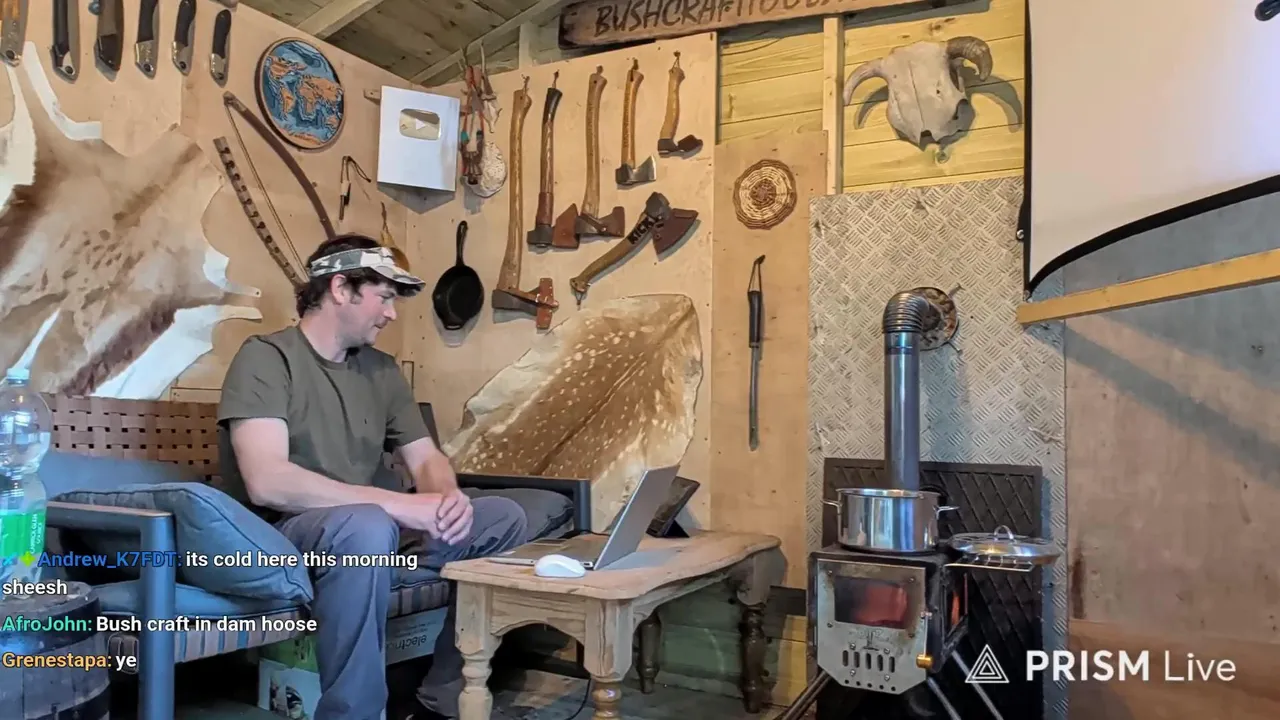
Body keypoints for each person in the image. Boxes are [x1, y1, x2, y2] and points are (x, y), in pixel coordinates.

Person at [217, 233, 528, 720]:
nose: (391, 313)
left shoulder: (381, 370)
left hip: (373, 531)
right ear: (341, 288)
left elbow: (425, 458)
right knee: (365, 526)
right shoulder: (266, 358)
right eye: (384, 297)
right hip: (287, 535)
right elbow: (267, 480)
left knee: (503, 518)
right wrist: (400, 506)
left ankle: (443, 693)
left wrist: (446, 501)